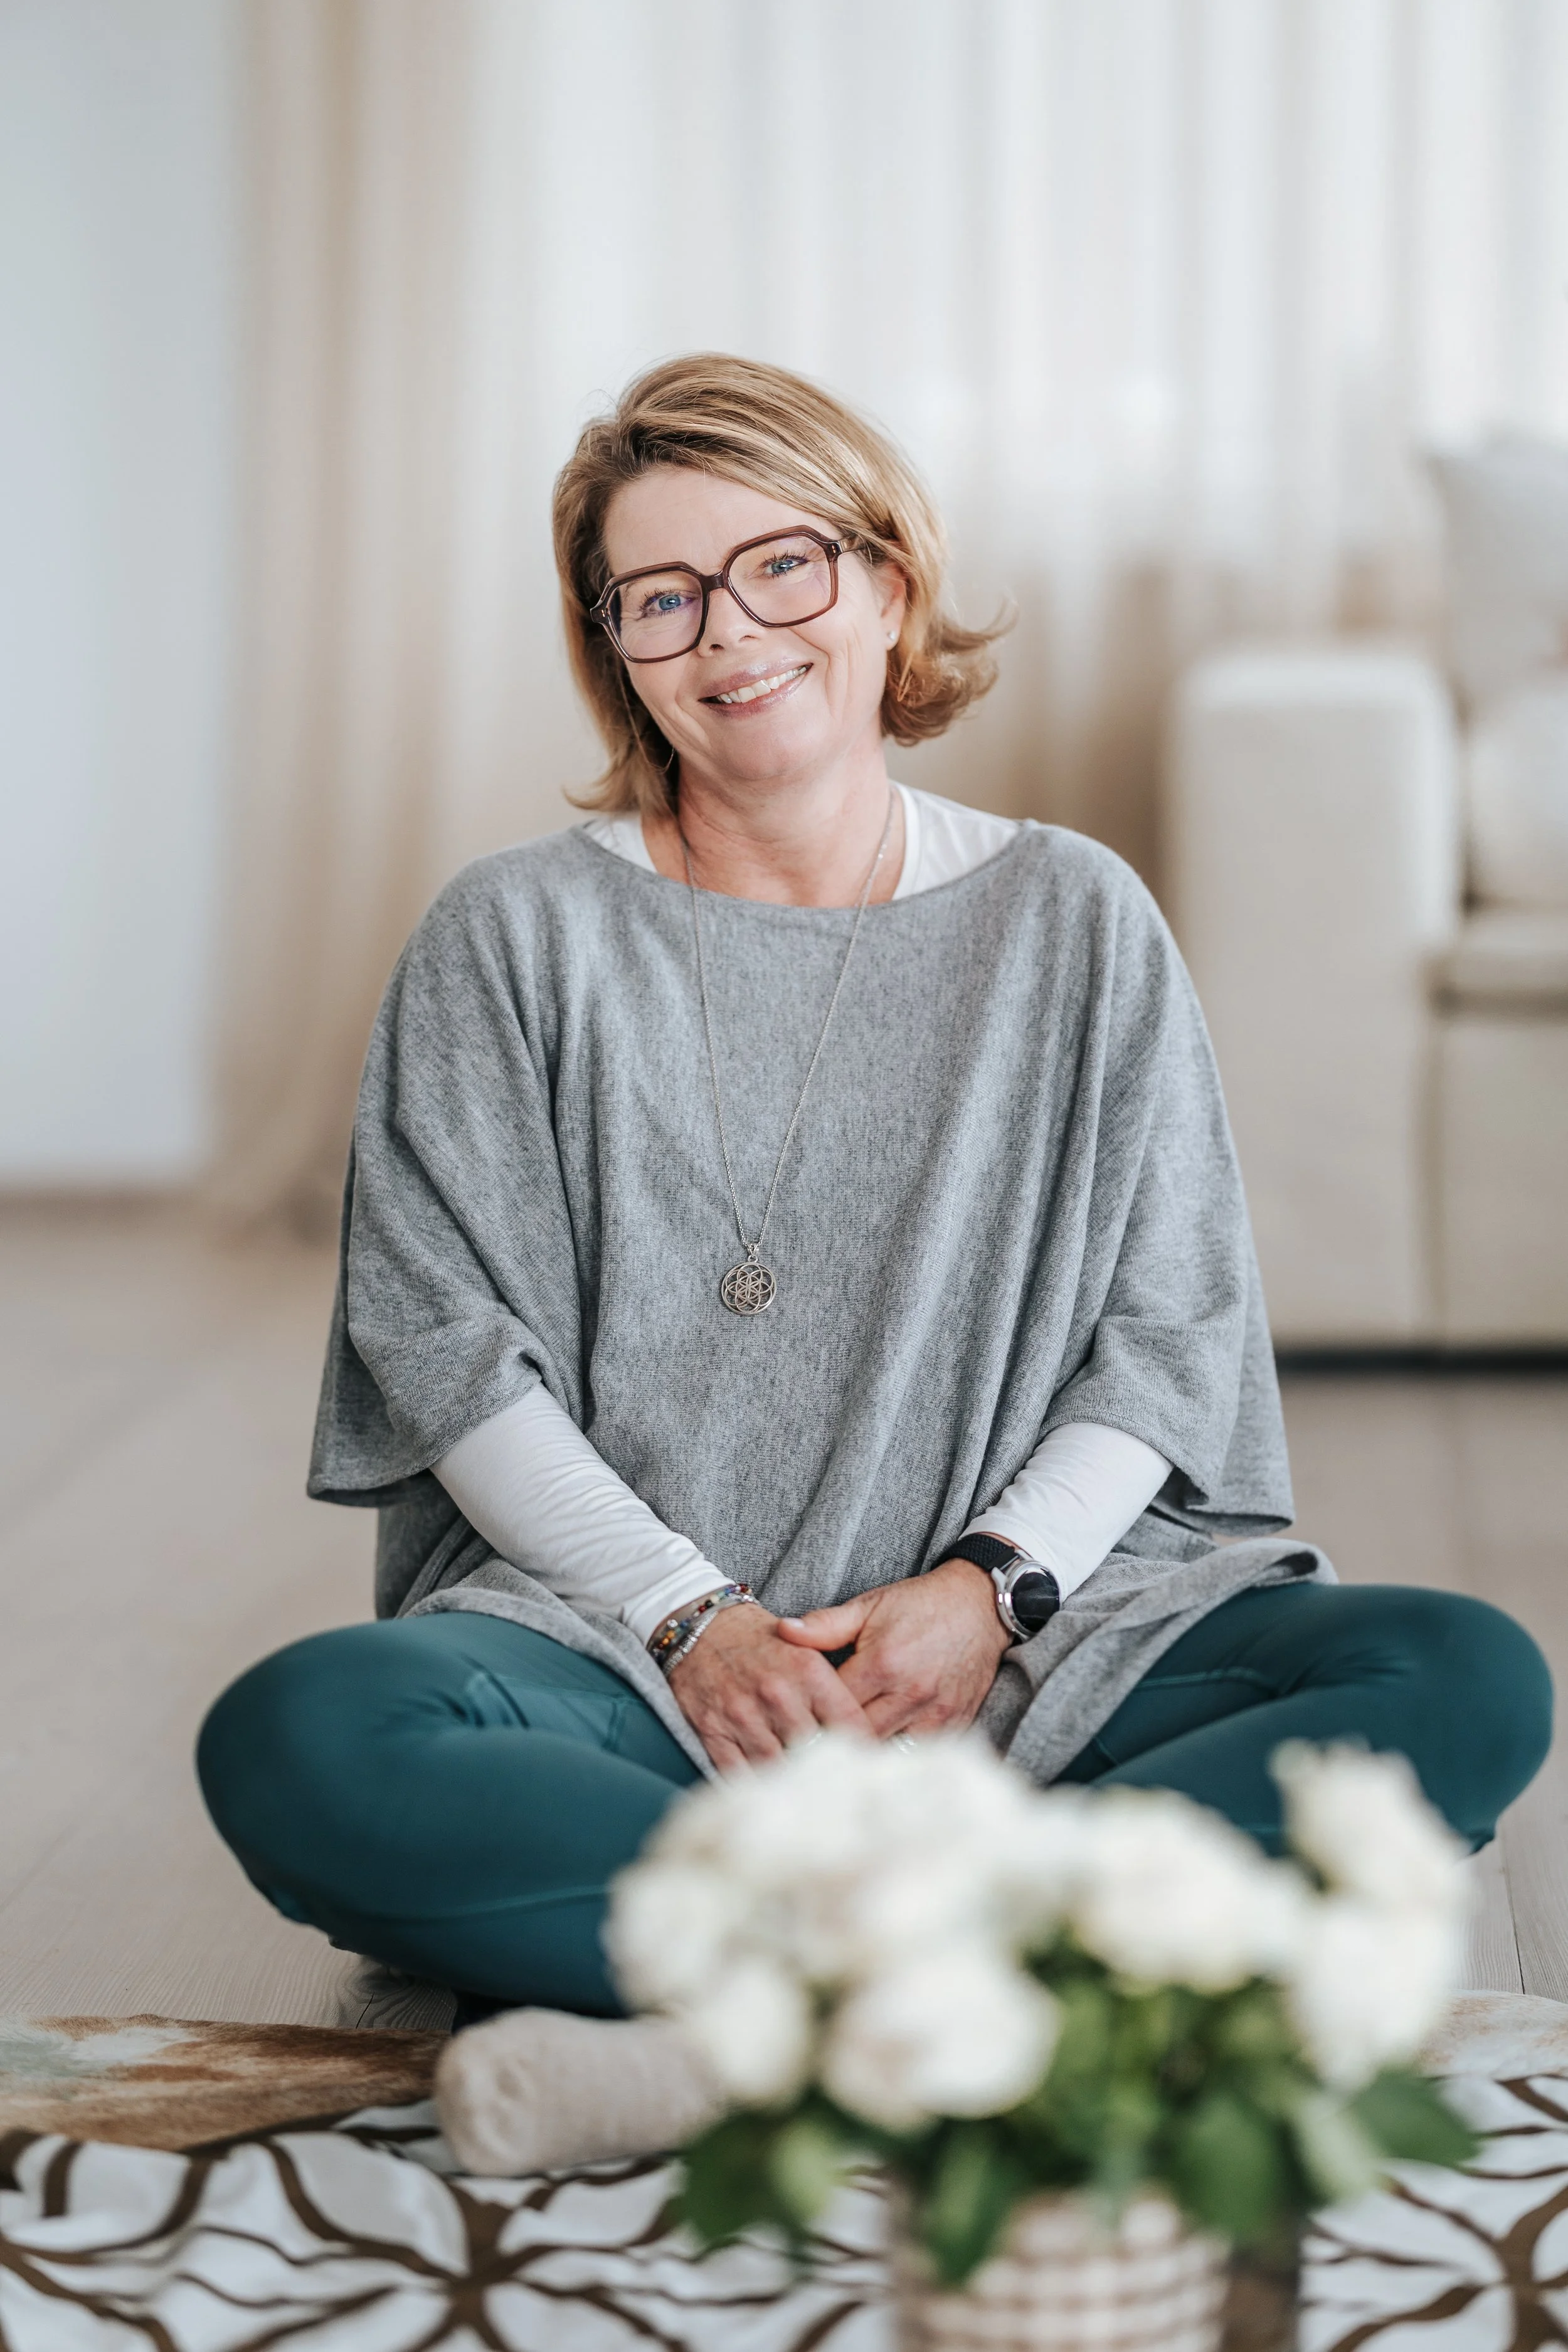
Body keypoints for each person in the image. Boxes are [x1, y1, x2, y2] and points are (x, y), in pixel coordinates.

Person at [199, 354, 1550, 2021]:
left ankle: (751, 1974)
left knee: (1463, 1678)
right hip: (630, 1673)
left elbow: (1165, 1328)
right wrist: (694, 1621)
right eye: (661, 597)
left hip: (1040, 1654)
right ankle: (1018, 1959)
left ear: (885, 579)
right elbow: (447, 1350)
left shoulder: (1073, 916)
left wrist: (986, 1590)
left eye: (783, 565)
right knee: (304, 1736)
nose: (731, 634)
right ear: (612, 648)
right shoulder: (511, 937)